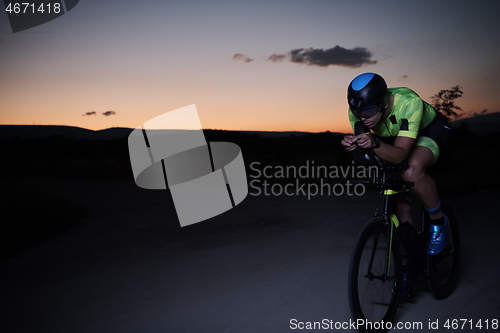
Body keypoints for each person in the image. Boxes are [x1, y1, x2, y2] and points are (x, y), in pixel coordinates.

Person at [340, 72, 451, 296]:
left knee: (411, 170)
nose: (362, 117)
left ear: (382, 102)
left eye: (369, 110)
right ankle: (404, 273)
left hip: (428, 131)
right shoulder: (359, 113)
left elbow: (400, 156)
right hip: (392, 138)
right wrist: (354, 148)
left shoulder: (408, 102)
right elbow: (365, 157)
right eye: (357, 111)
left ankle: (439, 221)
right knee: (400, 214)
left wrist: (373, 142)